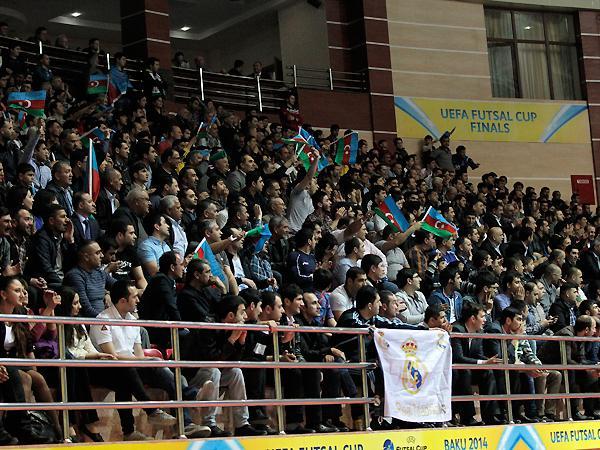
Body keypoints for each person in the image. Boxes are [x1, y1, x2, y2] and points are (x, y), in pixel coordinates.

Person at [451, 302, 502, 425]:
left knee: (488, 372)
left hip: (469, 367)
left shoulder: (479, 332)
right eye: (482, 316)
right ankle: (468, 417)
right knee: (465, 372)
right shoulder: (457, 329)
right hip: (455, 369)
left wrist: (490, 362)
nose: (485, 320)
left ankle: (490, 415)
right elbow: (458, 357)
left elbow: (478, 354)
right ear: (473, 318)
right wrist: (484, 362)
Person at [64, 240, 116, 317]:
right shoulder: (75, 276)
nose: (102, 256)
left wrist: (107, 293)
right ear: (86, 257)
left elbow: (121, 287)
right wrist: (107, 321)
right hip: (89, 321)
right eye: (97, 253)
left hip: (103, 319)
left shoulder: (100, 273)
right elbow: (86, 309)